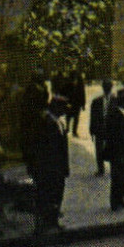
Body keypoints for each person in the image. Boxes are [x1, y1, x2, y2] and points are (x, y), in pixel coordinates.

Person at [25, 94, 71, 234]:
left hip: (58, 168)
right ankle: (43, 225)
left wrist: (65, 167)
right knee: (47, 196)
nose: (65, 111)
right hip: (48, 169)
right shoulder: (46, 122)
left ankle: (53, 222)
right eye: (63, 108)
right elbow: (40, 148)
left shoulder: (58, 122)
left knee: (56, 196)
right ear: (56, 107)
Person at [105, 89, 124, 210]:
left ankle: (121, 199)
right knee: (117, 177)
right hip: (118, 152)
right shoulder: (115, 114)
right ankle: (114, 202)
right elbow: (114, 135)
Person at [88, 79, 114, 176]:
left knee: (111, 149)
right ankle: (100, 169)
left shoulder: (115, 101)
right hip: (99, 128)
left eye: (109, 88)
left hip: (111, 129)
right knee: (99, 150)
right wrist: (92, 130)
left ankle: (113, 169)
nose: (107, 89)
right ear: (103, 88)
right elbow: (92, 116)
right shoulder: (96, 101)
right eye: (106, 88)